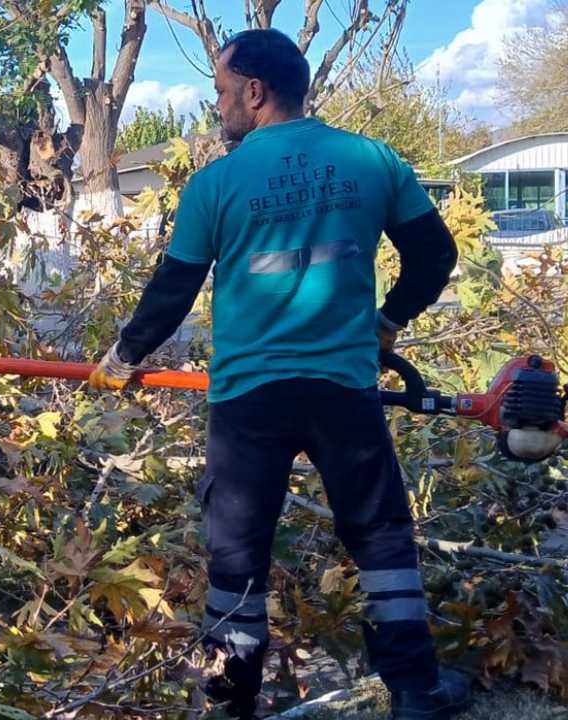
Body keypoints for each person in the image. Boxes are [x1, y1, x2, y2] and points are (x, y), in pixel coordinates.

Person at [87, 29, 471, 720]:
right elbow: (434, 257)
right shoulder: (372, 160)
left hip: (248, 401)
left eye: (221, 91)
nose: (219, 104)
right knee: (380, 535)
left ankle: (232, 705)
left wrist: (122, 360)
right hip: (342, 388)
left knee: (238, 553)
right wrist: (386, 324)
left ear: (255, 92)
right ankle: (416, 692)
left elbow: (172, 293)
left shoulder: (215, 184)